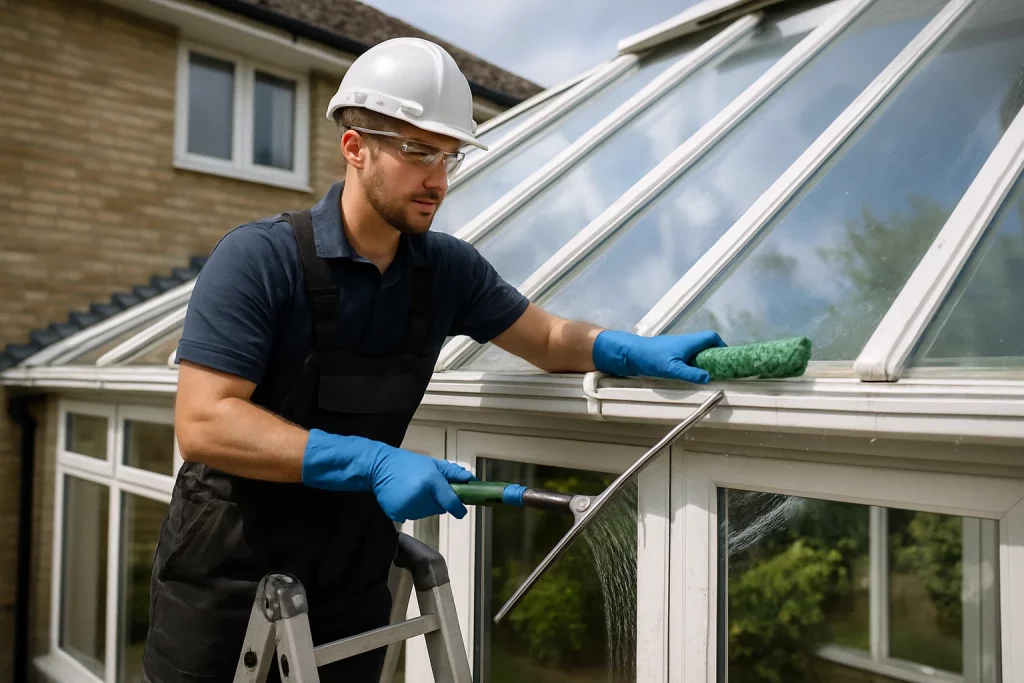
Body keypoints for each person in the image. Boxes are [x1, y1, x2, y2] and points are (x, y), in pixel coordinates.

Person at [142, 37, 725, 683]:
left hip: (350, 575)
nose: (439, 180)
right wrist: (369, 458)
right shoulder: (259, 260)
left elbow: (548, 337)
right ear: (354, 146)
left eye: (449, 155)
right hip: (227, 581)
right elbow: (204, 421)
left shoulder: (446, 270)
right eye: (417, 151)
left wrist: (626, 348)